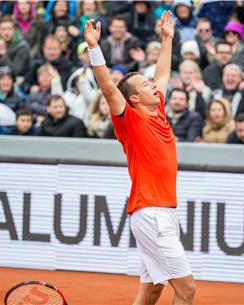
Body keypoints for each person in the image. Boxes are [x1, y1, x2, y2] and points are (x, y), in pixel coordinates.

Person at [84, 11, 196, 304]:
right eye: (145, 85)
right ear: (134, 98)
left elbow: (161, 73)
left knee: (152, 290)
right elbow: (109, 88)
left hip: (165, 213)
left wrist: (166, 38)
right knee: (187, 290)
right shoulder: (128, 119)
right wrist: (94, 48)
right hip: (151, 214)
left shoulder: (156, 107)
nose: (153, 85)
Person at [0, 15, 30, 80]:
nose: (7, 32)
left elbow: (16, 71)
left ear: (14, 30)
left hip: (17, 80)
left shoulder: (22, 46)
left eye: (9, 29)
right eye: (3, 29)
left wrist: (4, 55)